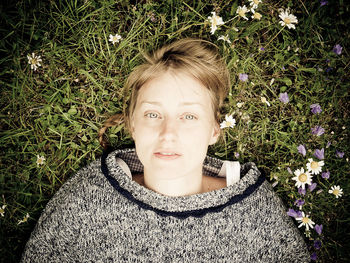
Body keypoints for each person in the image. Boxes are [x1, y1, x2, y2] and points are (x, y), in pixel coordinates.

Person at [21, 38, 310, 262]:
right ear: (133, 124)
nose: (168, 134)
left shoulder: (256, 212)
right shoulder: (84, 199)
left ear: (214, 130)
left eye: (188, 116)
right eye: (152, 114)